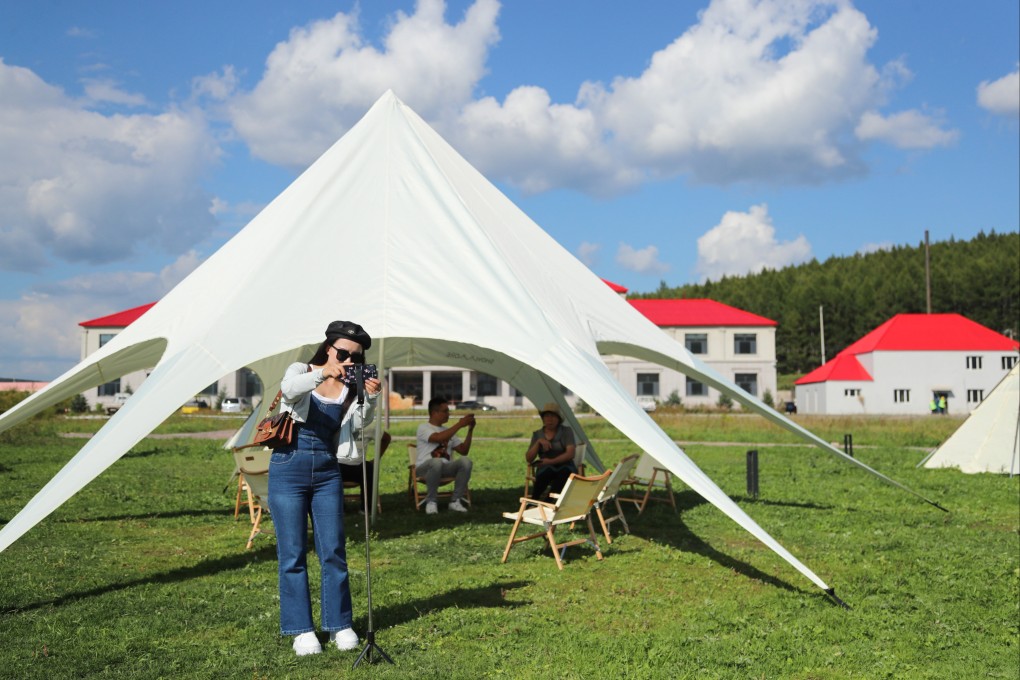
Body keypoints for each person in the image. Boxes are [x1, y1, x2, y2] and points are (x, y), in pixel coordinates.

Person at [269, 320, 381, 657]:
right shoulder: (302, 370)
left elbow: (358, 423)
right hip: (288, 464)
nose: (349, 361)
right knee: (292, 553)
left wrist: (370, 398)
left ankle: (339, 624)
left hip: (328, 469)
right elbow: (289, 390)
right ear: (329, 347)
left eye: (356, 358)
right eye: (343, 353)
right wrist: (322, 373)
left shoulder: (349, 387)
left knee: (333, 550)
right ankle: (301, 629)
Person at [415, 396, 475, 515]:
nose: (448, 414)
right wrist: (459, 424)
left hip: (445, 468)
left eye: (448, 411)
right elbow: (438, 438)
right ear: (434, 413)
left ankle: (455, 501)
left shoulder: (448, 430)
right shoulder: (423, 428)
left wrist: (470, 430)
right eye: (445, 411)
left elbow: (463, 450)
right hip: (425, 469)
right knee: (436, 461)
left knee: (466, 461)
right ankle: (431, 501)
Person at [525, 402, 577, 501]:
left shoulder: (566, 431)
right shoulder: (537, 434)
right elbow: (529, 458)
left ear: (558, 419)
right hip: (545, 467)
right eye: (547, 416)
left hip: (565, 466)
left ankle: (547, 501)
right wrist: (538, 442)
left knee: (564, 473)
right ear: (543, 418)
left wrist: (550, 461)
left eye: (553, 416)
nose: (550, 419)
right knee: (546, 473)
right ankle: (534, 500)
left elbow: (570, 453)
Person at [339, 430, 391, 512]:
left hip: (359, 468)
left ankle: (367, 508)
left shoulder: (367, 426)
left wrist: (377, 458)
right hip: (339, 467)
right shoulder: (335, 424)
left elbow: (386, 438)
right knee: (331, 467)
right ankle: (339, 507)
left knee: (368, 467)